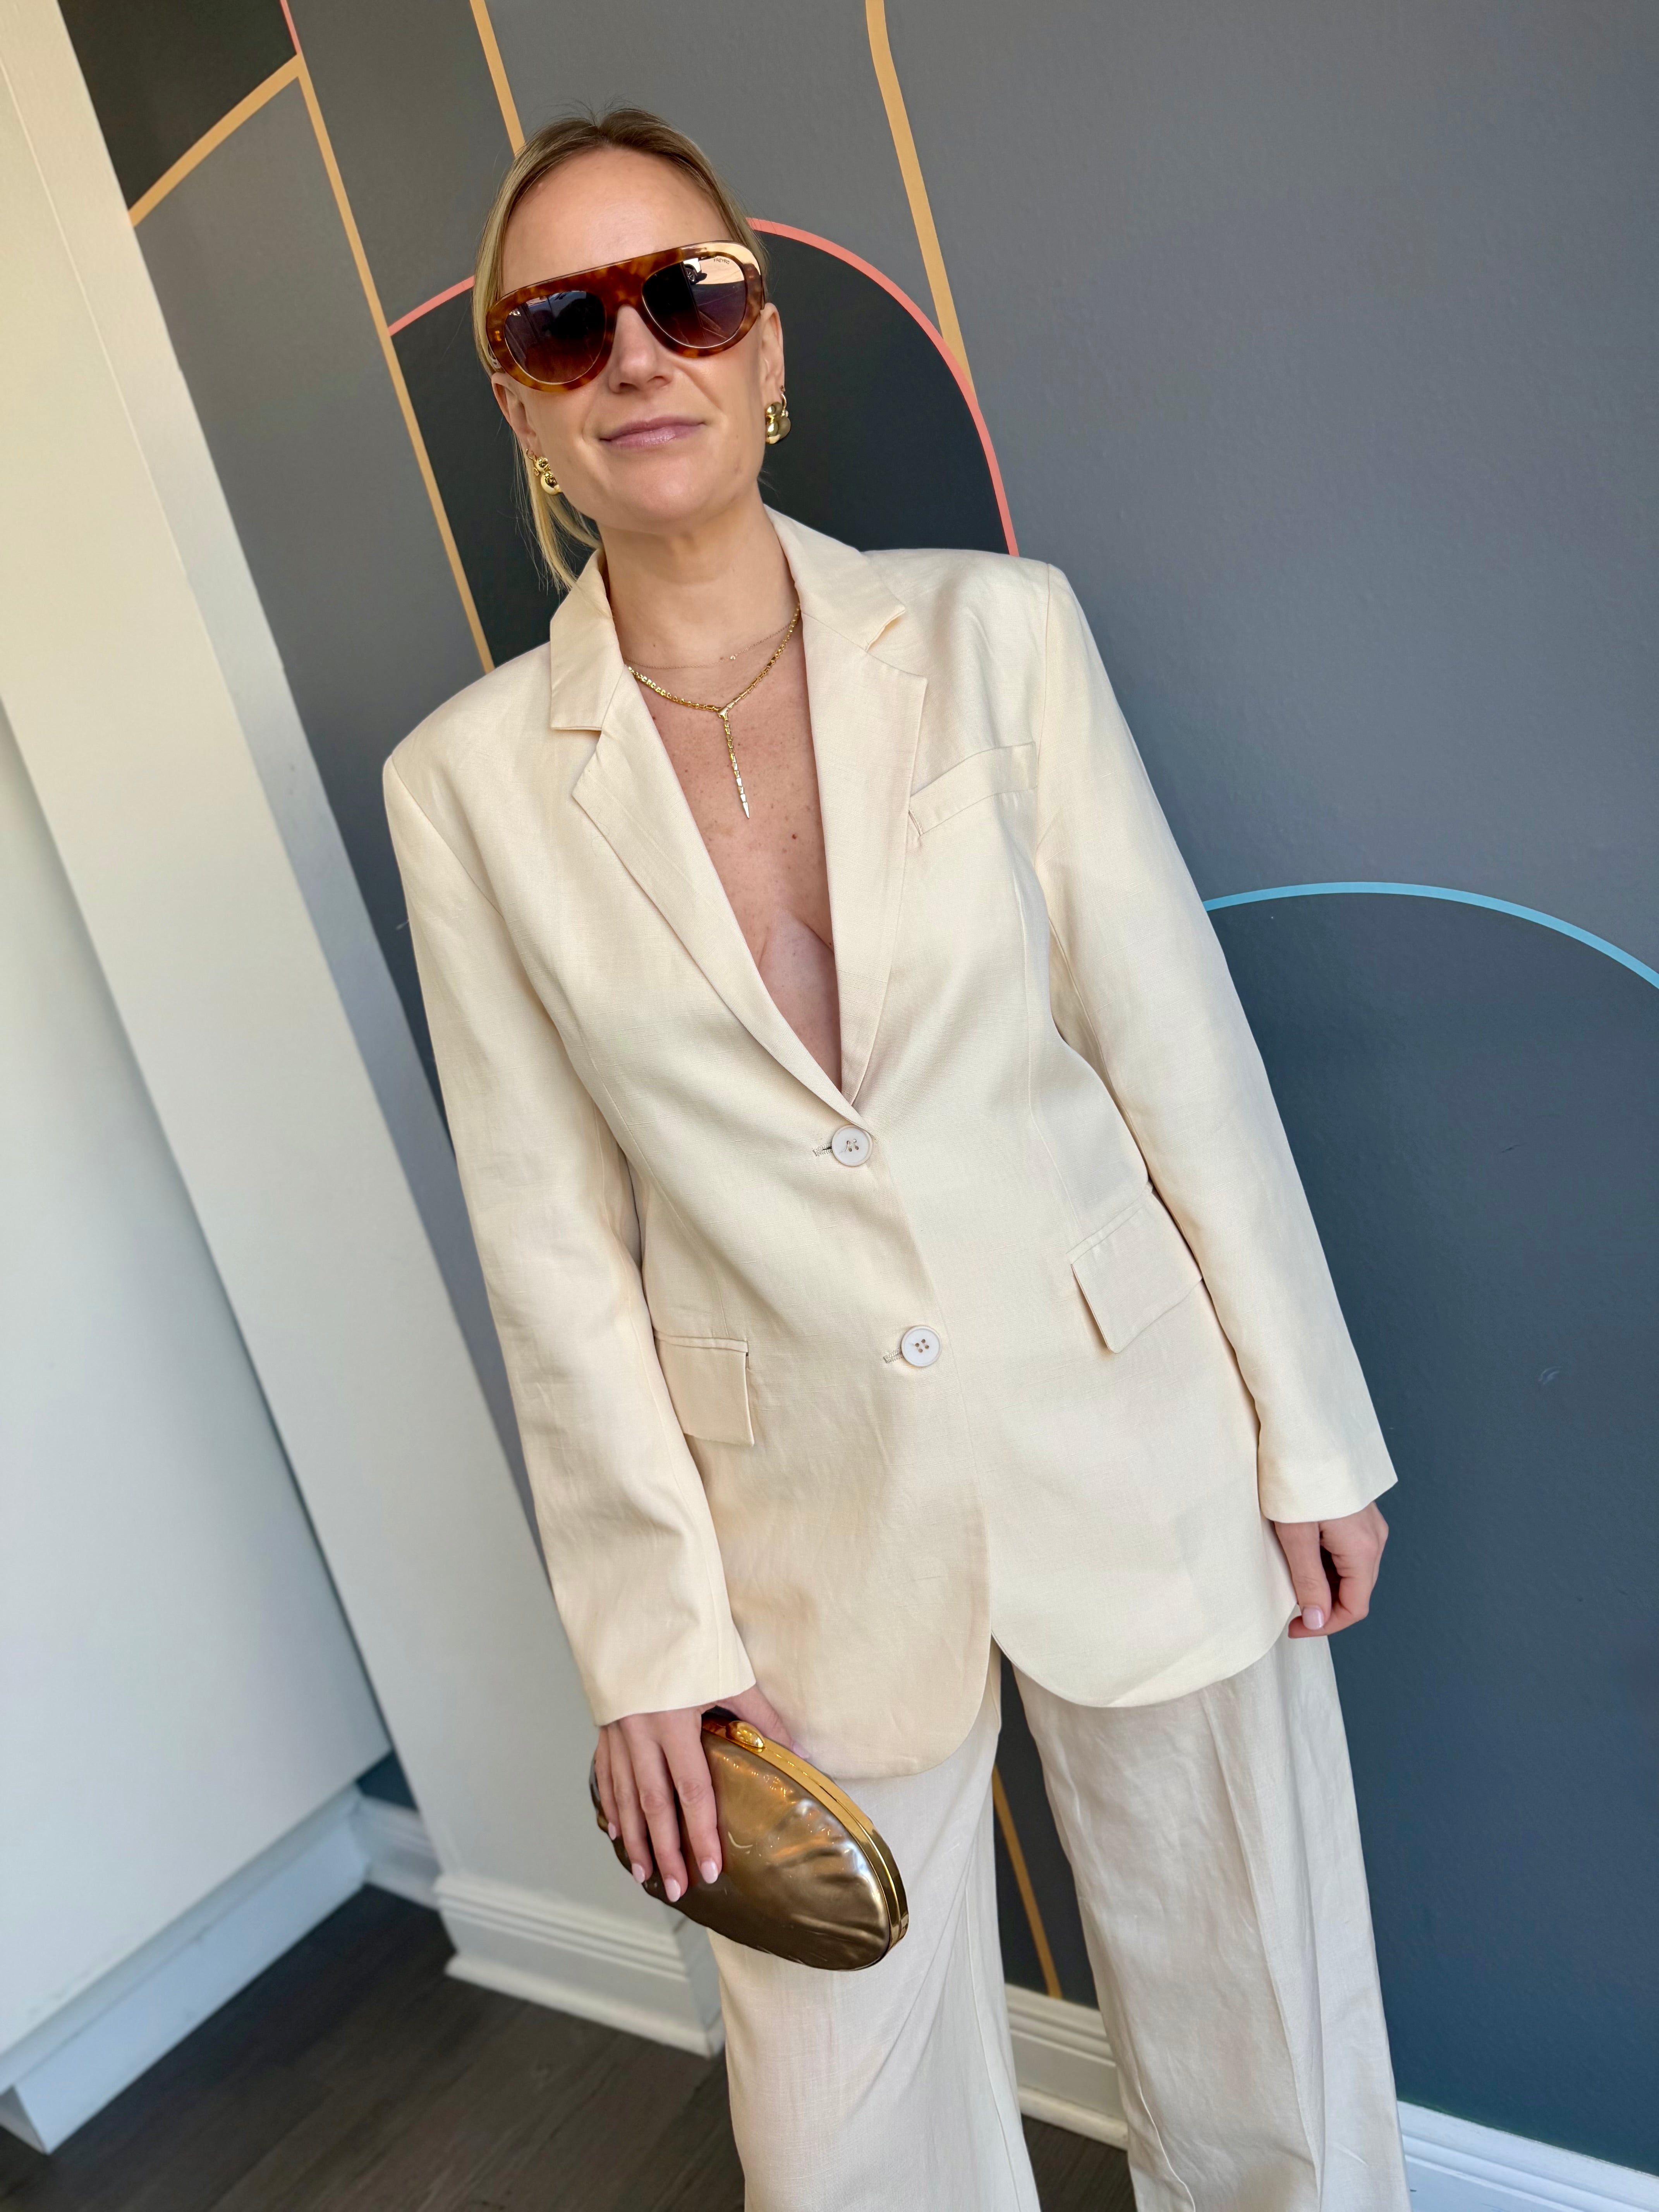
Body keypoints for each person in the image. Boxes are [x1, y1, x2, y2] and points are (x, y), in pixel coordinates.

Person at [385, 104, 1410, 2212]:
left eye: (687, 296)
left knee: (1270, 2056)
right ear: (520, 403)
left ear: (765, 346)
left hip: (1134, 1434)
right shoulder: (466, 790)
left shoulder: (998, 635)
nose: (636, 354)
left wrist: (1309, 1430)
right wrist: (646, 1647)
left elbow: (1175, 1054)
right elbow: (548, 1241)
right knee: (843, 2151)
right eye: (564, 324)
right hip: (794, 1533)